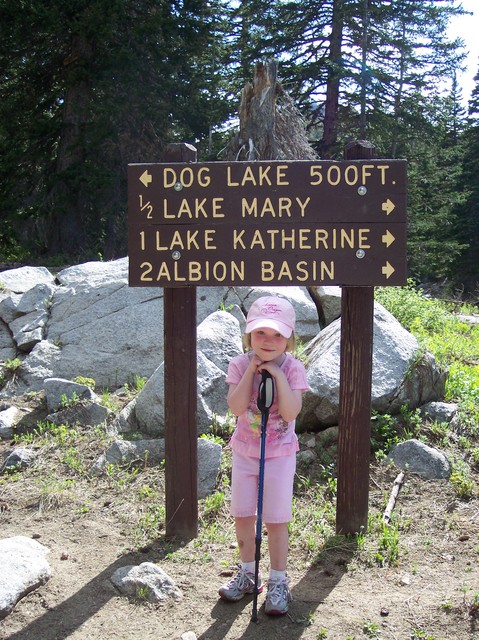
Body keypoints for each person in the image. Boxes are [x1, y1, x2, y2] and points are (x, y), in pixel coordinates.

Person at [218, 295, 309, 615]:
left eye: (278, 335)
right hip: (245, 453)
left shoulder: (294, 368)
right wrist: (251, 372)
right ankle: (247, 574)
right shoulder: (239, 364)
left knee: (276, 518)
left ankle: (279, 581)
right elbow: (236, 406)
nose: (269, 341)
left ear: (289, 339)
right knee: (243, 514)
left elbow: (292, 410)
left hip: (280, 455)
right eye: (261, 334)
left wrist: (278, 374)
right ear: (249, 336)